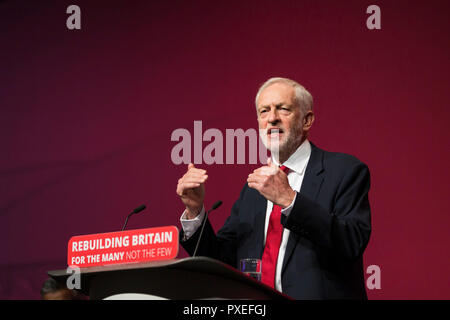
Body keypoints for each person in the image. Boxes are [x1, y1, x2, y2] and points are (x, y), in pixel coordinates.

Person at [176, 77, 371, 299]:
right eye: (264, 111)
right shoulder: (254, 188)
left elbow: (351, 242)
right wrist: (195, 211)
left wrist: (290, 201)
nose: (272, 119)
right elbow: (220, 259)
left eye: (283, 109)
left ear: (307, 120)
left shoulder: (345, 171)